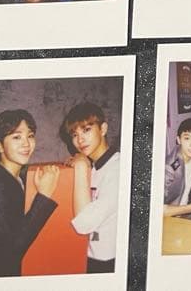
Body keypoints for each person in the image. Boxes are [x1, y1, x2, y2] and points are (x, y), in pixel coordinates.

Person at [0, 110, 60, 278]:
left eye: (30, 136)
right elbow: (7, 254)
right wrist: (44, 196)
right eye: (17, 137)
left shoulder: (14, 176)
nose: (26, 144)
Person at [64, 102, 120, 274]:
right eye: (75, 134)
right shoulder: (94, 166)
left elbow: (83, 224)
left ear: (103, 129)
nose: (80, 140)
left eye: (86, 130)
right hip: (87, 257)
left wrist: (81, 167)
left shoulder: (118, 168)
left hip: (109, 264)